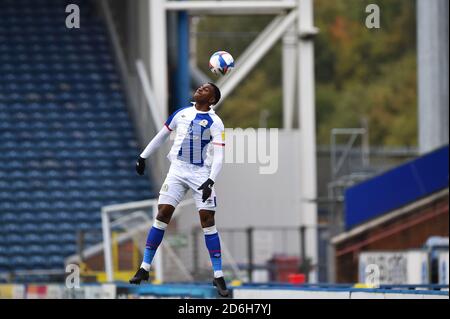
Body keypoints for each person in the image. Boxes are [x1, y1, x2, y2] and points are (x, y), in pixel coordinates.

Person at [129, 83, 229, 297]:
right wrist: (143, 156)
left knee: (207, 221)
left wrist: (210, 180)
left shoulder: (216, 123)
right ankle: (144, 268)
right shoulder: (181, 113)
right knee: (162, 215)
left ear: (212, 100)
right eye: (201, 87)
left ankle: (218, 275)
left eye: (205, 90)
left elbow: (220, 155)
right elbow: (161, 136)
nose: (200, 89)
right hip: (176, 172)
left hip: (200, 175)